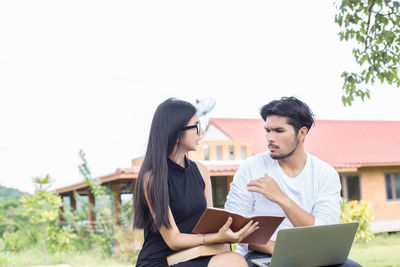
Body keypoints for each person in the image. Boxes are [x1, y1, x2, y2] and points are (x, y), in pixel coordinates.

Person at [224, 96, 361, 267]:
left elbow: (323, 231)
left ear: (302, 133)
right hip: (261, 254)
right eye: (268, 130)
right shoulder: (250, 168)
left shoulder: (325, 174)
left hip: (313, 253)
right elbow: (233, 224)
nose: (270, 138)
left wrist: (282, 199)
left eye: (279, 131)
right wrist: (279, 250)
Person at [134, 98, 259, 267]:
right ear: (177, 132)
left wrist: (230, 231)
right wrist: (216, 237)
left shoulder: (201, 171)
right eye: (196, 126)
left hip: (194, 254)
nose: (201, 133)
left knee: (234, 259)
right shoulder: (152, 179)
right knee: (233, 262)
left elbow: (208, 223)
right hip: (162, 260)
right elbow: (173, 240)